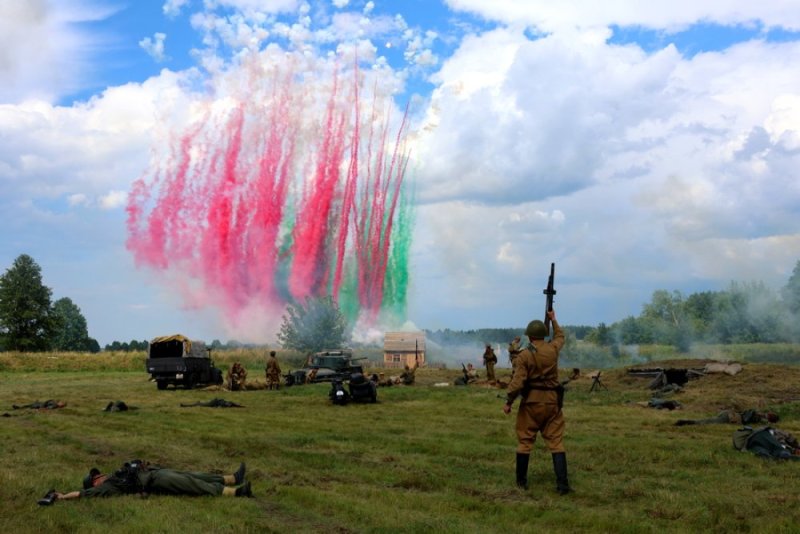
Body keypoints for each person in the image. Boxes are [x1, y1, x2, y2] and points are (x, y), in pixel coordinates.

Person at [502, 309, 570, 495]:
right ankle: (562, 485)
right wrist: (553, 319)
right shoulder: (553, 349)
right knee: (556, 443)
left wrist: (509, 401)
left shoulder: (524, 355)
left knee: (525, 442)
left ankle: (521, 484)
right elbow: (560, 336)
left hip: (531, 404)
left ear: (530, 336)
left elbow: (517, 383)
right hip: (552, 403)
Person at [47, 461, 252, 502]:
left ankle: (232, 478)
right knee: (190, 484)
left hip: (155, 470)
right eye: (95, 478)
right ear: (95, 484)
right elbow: (82, 495)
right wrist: (63, 496)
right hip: (155, 481)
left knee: (193, 475)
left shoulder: (114, 474)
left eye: (97, 475)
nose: (98, 476)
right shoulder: (108, 487)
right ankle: (236, 492)